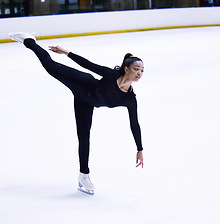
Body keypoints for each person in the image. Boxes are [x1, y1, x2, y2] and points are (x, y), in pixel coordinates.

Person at [9, 32, 144, 194]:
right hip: (82, 83)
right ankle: (29, 40)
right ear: (126, 68)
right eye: (136, 69)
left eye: (142, 70)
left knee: (84, 136)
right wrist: (66, 52)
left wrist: (139, 149)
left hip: (86, 103)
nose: (139, 73)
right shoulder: (111, 75)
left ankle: (83, 175)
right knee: (50, 65)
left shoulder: (130, 99)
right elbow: (88, 65)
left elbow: (134, 123)